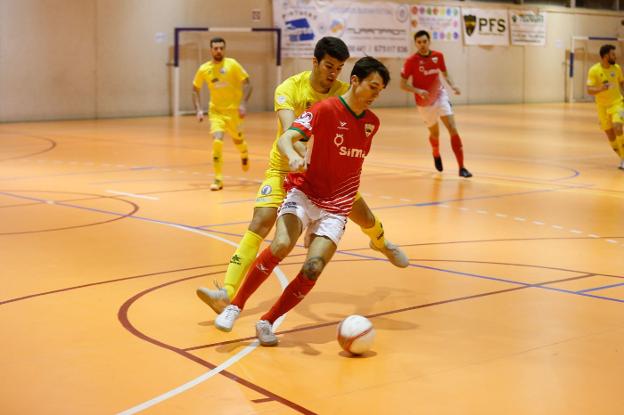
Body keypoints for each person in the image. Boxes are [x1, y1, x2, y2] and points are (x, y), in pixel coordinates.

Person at [196, 37, 409, 314]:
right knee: (260, 222)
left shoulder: (345, 91)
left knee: (365, 217)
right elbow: (289, 130)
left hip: (326, 175)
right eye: (328, 66)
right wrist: (296, 154)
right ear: (315, 62)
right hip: (285, 166)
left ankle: (383, 244)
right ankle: (226, 293)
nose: (333, 73)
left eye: (339, 68)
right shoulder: (289, 88)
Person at [400, 30, 472, 178]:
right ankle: (436, 153)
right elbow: (402, 84)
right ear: (416, 43)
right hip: (424, 102)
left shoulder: (438, 56)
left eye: (424, 41)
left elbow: (445, 74)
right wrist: (417, 90)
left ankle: (462, 167)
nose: (422, 45)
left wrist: (453, 86)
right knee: (435, 133)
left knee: (452, 128)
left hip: (440, 95)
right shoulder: (411, 61)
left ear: (429, 41)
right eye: (419, 42)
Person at [192, 37, 253, 191]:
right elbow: (195, 89)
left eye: (221, 48)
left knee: (238, 141)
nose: (218, 51)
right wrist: (198, 109)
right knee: (217, 141)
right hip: (216, 112)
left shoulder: (232, 64)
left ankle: (244, 153)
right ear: (211, 50)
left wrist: (243, 104)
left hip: (233, 112)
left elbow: (248, 84)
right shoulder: (204, 69)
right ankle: (218, 179)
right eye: (215, 48)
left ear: (224, 49)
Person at [586, 44, 624, 169]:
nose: (615, 56)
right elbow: (589, 90)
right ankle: (622, 158)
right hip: (602, 107)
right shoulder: (594, 70)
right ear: (606, 56)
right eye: (613, 54)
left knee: (618, 127)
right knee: (610, 135)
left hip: (617, 103)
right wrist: (600, 88)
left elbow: (622, 83)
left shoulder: (617, 68)